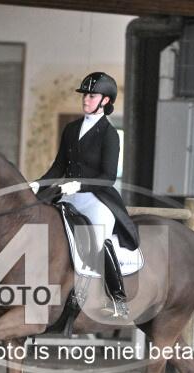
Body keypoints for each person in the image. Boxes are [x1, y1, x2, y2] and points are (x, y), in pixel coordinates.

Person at [29, 72, 138, 318]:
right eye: (85, 96)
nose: (86, 100)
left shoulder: (109, 134)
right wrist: (37, 184)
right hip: (68, 195)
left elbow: (108, 177)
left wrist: (79, 186)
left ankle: (117, 297)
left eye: (91, 96)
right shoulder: (71, 129)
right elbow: (58, 167)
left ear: (105, 101)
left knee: (99, 238)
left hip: (96, 198)